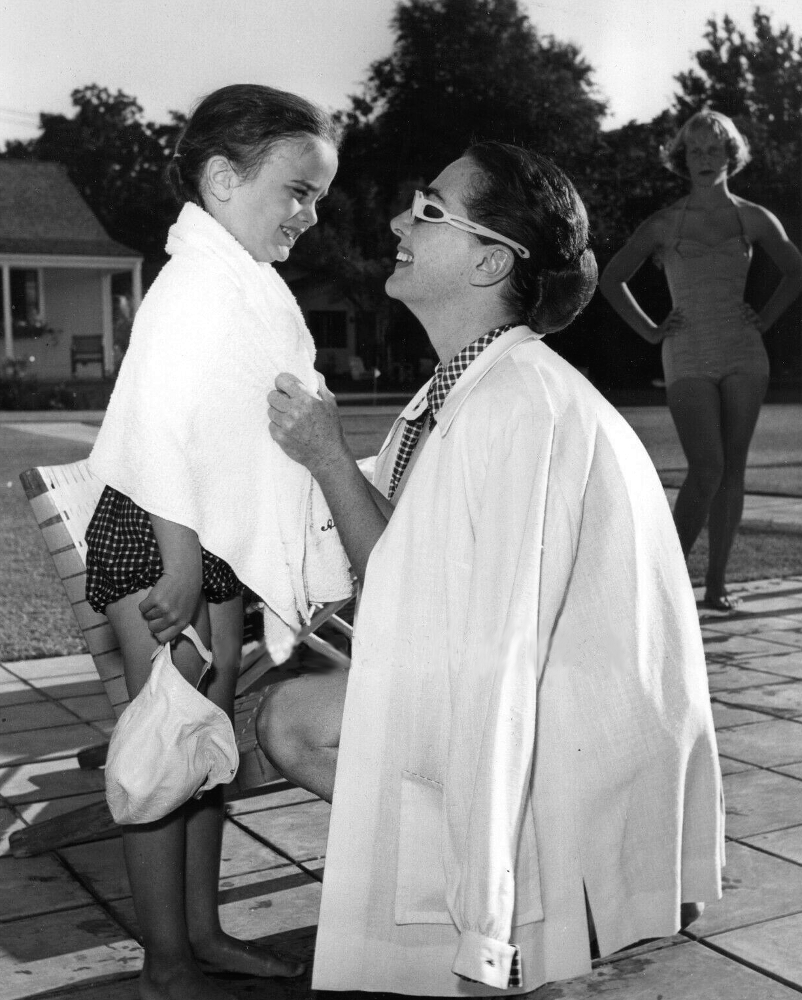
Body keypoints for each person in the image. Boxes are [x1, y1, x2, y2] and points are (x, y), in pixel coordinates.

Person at [259, 140, 724, 996]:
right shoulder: (463, 385)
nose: (400, 220)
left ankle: (510, 901)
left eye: (428, 210)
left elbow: (495, 660)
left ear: (488, 261)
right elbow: (407, 567)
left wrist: (484, 928)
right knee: (290, 714)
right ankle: (460, 885)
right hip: (536, 683)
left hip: (568, 721)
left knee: (301, 721)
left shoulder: (521, 407)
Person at [84, 84, 345, 1000]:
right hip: (165, 538)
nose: (310, 215)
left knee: (205, 751)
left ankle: (202, 933)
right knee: (166, 748)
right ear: (224, 179)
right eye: (298, 191)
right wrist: (185, 562)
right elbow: (154, 422)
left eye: (319, 195)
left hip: (204, 539)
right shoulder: (193, 286)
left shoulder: (243, 280)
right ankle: (164, 967)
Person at [600, 110, 802, 612]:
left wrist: (767, 317)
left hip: (743, 351)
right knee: (706, 467)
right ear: (682, 159)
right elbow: (611, 278)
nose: (706, 160)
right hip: (686, 348)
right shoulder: (665, 222)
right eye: (696, 152)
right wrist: (650, 330)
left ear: (730, 155)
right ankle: (660, 585)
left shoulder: (752, 217)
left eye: (715, 150)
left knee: (732, 469)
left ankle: (715, 586)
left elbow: (795, 270)